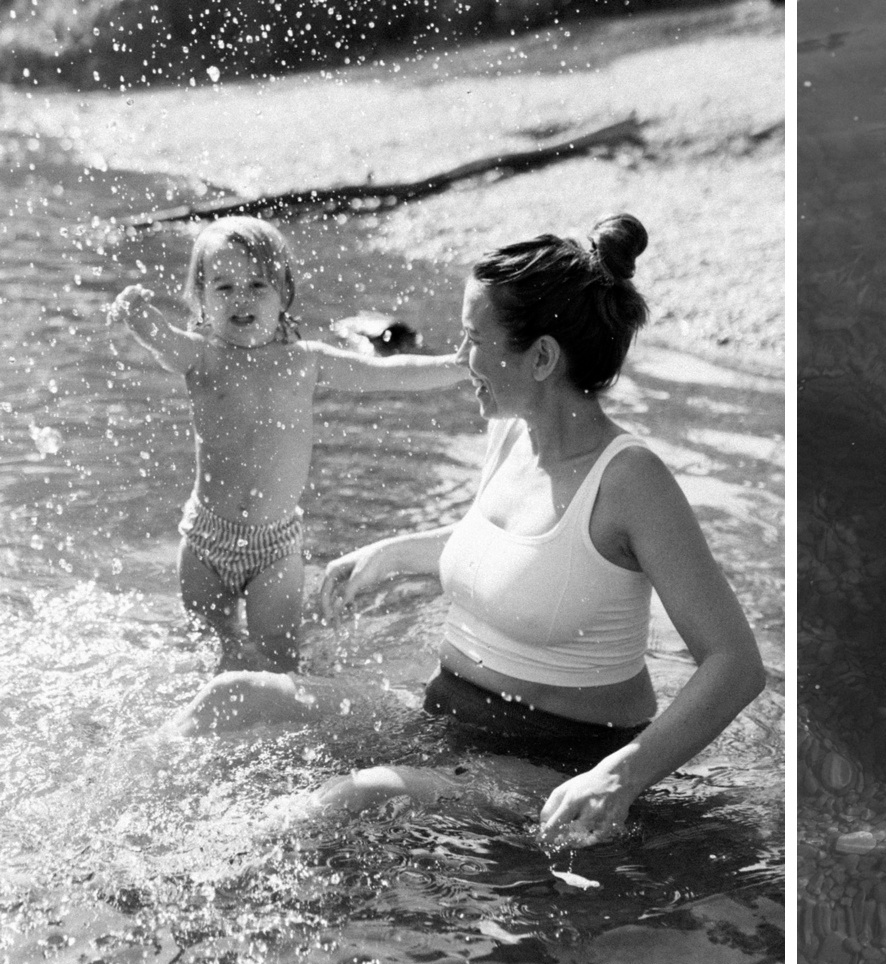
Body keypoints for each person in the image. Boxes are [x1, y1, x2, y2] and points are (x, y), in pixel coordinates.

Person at [171, 214, 767, 847]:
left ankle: (195, 876)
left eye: (471, 340)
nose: (460, 360)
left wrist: (619, 777)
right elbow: (515, 547)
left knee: (351, 798)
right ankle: (113, 831)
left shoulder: (630, 481)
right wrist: (393, 554)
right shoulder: (511, 432)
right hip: (443, 715)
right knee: (230, 698)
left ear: (540, 357)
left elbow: (735, 665)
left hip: (552, 764)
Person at [106, 216, 467, 671]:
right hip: (204, 539)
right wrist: (136, 313)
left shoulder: (304, 362)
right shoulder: (201, 356)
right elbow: (162, 340)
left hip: (273, 546)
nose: (241, 298)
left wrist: (455, 367)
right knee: (209, 648)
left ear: (284, 294)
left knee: (277, 654)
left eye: (257, 284)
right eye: (223, 287)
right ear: (200, 299)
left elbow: (386, 375)